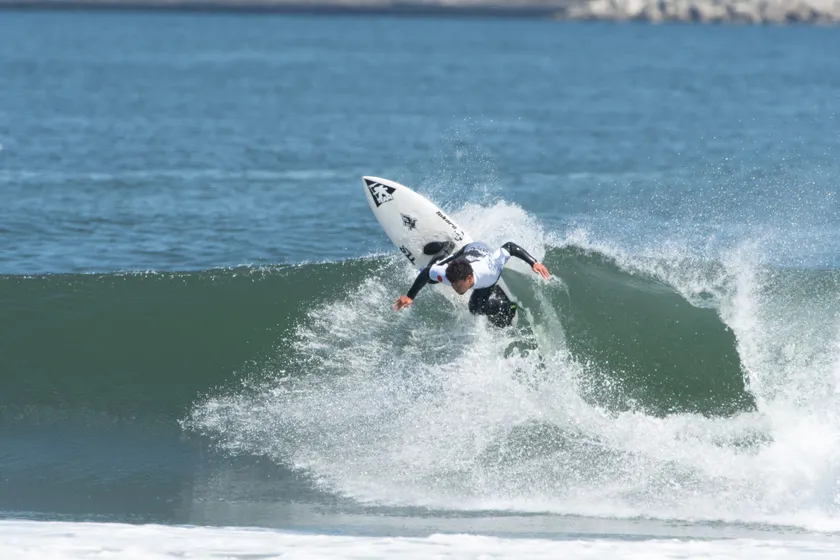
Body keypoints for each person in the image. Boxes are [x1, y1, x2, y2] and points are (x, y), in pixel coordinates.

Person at [393, 240, 551, 328]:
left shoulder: (490, 270)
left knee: (476, 308)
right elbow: (427, 272)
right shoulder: (447, 275)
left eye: (458, 285)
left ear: (469, 278)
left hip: (481, 253)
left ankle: (506, 306)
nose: (455, 288)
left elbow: (509, 247)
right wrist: (410, 296)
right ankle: (446, 247)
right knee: (431, 278)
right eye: (453, 284)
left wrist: (534, 262)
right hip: (467, 252)